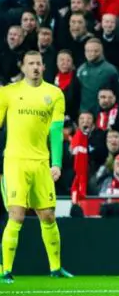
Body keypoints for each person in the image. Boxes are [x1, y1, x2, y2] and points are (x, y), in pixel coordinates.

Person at [0, 51, 74, 281]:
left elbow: (56, 132)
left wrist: (57, 163)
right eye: (30, 63)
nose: (34, 67)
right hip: (15, 162)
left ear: (43, 67)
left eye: (38, 64)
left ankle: (55, 268)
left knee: (49, 216)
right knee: (17, 215)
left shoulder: (54, 94)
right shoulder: (8, 93)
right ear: (22, 67)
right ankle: (6, 270)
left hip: (41, 163)